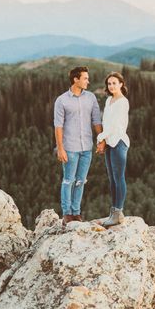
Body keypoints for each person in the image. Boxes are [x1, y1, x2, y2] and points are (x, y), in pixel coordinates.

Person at [54, 65, 102, 226]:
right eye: (85, 78)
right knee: (68, 181)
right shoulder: (62, 100)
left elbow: (96, 120)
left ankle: (76, 213)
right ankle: (67, 213)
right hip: (70, 148)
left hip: (86, 147)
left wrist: (100, 140)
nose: (88, 81)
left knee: (81, 181)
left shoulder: (91, 98)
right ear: (76, 79)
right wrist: (60, 148)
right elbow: (58, 126)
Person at [96, 71, 130, 227]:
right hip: (110, 143)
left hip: (119, 143)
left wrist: (100, 137)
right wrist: (104, 139)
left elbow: (116, 125)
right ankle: (115, 212)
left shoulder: (123, 102)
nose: (111, 86)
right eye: (109, 84)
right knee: (112, 179)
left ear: (121, 84)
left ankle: (118, 211)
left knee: (119, 177)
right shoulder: (109, 99)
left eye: (114, 83)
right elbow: (105, 121)